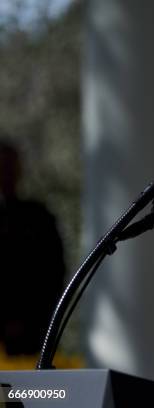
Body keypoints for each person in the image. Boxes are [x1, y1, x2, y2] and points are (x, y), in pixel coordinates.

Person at [0, 140, 65, 356]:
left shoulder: (37, 218)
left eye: (9, 167)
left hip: (29, 340)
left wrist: (27, 321)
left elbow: (53, 273)